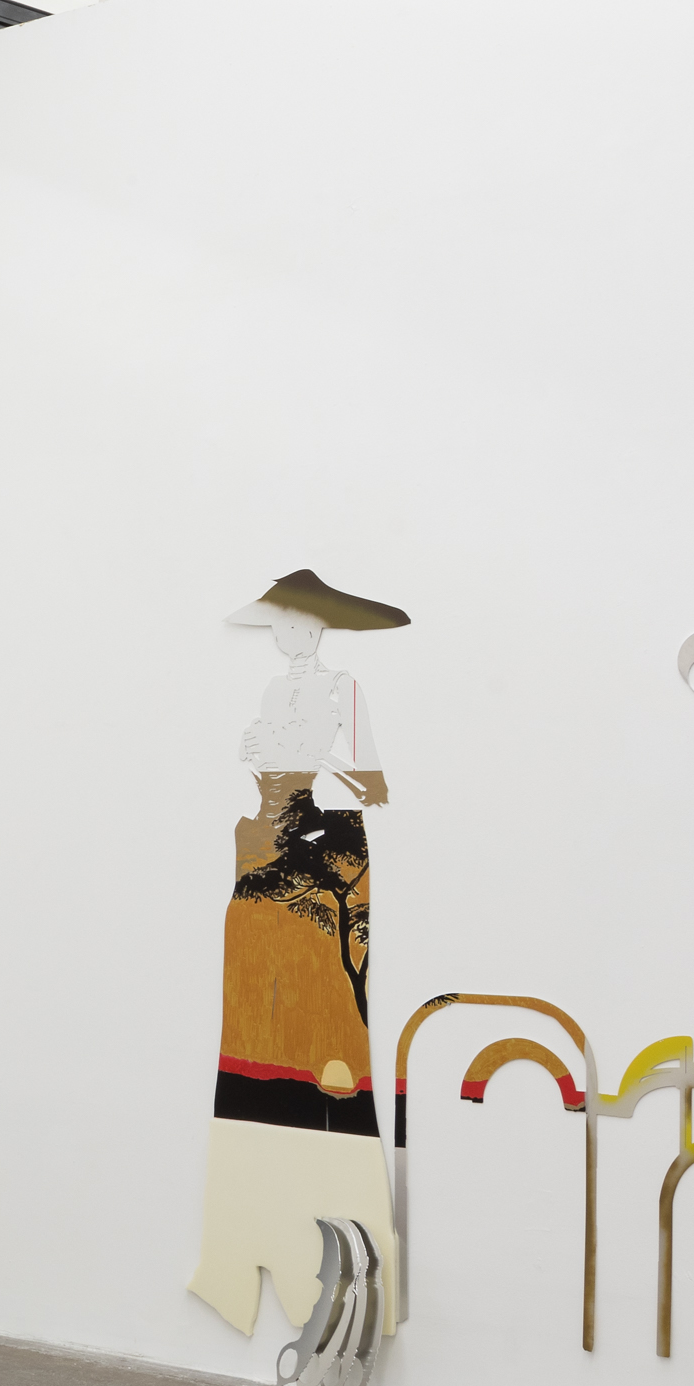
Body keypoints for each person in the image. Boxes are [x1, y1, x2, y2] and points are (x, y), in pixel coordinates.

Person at [188, 569, 411, 1343]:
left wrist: (311, 761)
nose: (285, 637)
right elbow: (264, 772)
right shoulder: (270, 692)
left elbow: (373, 787)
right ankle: (247, 1225)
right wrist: (262, 756)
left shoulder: (343, 690)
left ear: (316, 627)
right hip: (264, 842)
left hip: (326, 851)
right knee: (254, 1006)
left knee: (324, 1023)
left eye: (293, 624)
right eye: (276, 625)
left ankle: (325, 1219)